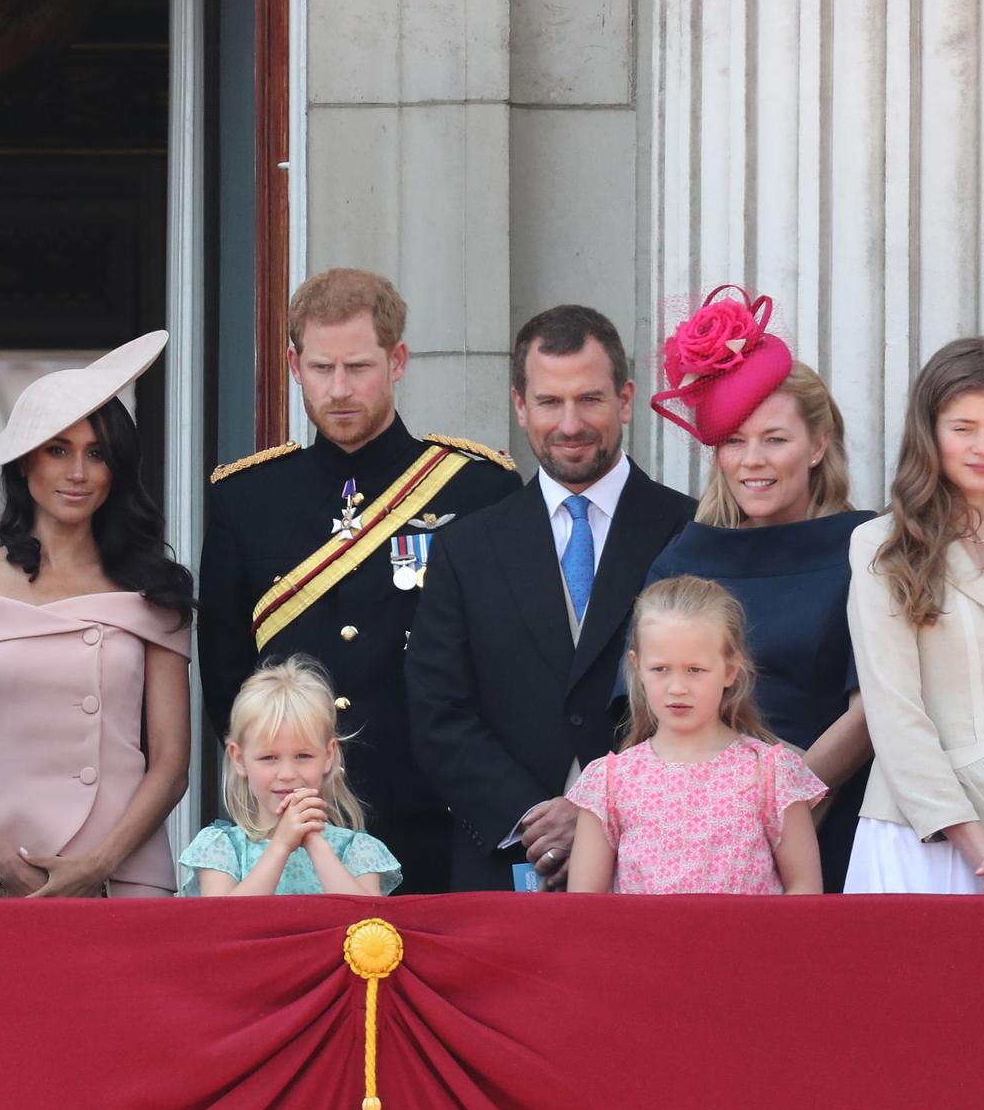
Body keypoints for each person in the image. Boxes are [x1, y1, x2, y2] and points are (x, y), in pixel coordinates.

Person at [198, 269, 518, 893]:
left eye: (359, 367)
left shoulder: (477, 488)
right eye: (321, 368)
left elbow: (501, 668)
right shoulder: (246, 497)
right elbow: (227, 681)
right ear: (293, 364)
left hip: (436, 819)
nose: (339, 389)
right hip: (294, 827)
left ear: (397, 360)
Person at [407, 305, 698, 891]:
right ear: (520, 405)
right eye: (548, 402)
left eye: (589, 399)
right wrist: (532, 819)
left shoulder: (691, 533)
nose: (570, 424)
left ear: (625, 398)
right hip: (505, 864)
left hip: (660, 860)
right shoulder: (466, 548)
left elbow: (711, 704)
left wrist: (595, 814)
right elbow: (438, 713)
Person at [641, 287, 874, 887]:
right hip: (699, 833)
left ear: (818, 445)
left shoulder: (868, 548)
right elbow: (644, 704)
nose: (753, 460)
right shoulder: (682, 557)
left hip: (834, 818)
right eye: (735, 441)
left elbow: (877, 705)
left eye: (775, 439)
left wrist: (782, 810)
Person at [0, 332, 191, 898]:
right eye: (57, 450)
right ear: (24, 463)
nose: (78, 472)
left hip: (121, 870)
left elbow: (171, 764)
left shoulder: (152, 589)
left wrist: (99, 862)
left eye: (96, 453)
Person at [847, 337, 984, 894]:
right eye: (963, 427)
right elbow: (895, 715)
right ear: (929, 432)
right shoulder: (882, 546)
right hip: (923, 842)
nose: (983, 446)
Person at [565, 576, 825, 894]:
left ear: (731, 670)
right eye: (660, 669)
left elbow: (805, 889)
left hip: (746, 944)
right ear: (637, 667)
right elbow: (585, 905)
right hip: (641, 945)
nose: (677, 688)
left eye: (695, 670)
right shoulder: (609, 782)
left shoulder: (771, 773)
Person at [180, 659, 401, 896]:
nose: (287, 775)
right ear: (239, 759)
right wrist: (281, 846)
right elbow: (225, 924)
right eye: (269, 758)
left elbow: (369, 922)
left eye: (303, 756)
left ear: (328, 755)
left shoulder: (356, 851)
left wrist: (315, 843)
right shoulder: (221, 849)